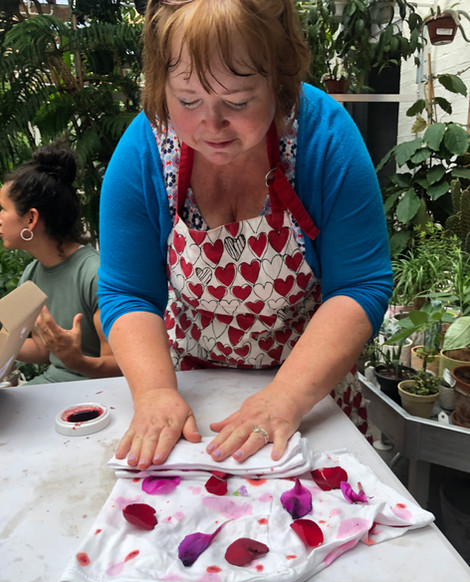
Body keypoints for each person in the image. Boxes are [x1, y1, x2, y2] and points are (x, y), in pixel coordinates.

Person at [98, 0, 393, 470]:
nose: (212, 125)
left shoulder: (324, 138)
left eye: (237, 102)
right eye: (187, 100)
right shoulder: (144, 150)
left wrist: (287, 395)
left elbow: (360, 285)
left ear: (279, 77)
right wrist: (154, 392)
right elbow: (128, 292)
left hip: (309, 396)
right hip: (190, 396)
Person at [0, 145, 121, 384]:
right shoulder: (31, 275)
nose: (0, 218)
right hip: (50, 389)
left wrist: (78, 361)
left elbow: (119, 366)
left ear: (31, 219)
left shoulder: (95, 274)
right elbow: (44, 350)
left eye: (3, 209)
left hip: (93, 394)